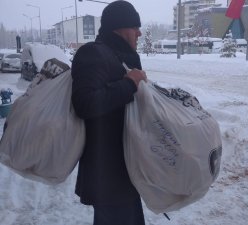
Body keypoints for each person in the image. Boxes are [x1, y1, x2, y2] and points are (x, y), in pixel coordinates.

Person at [71, 1, 147, 225]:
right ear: (120, 27)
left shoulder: (119, 56)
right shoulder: (93, 53)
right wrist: (130, 84)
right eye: (135, 27)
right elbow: (84, 103)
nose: (139, 33)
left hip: (126, 170)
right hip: (107, 176)